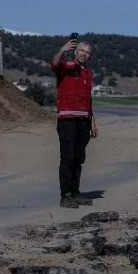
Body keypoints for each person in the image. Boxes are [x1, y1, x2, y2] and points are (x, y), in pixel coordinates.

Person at [50, 35, 97, 208]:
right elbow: (54, 64)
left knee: (78, 159)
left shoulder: (88, 74)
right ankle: (66, 196)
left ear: (89, 56)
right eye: (81, 50)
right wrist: (62, 50)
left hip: (83, 121)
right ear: (75, 52)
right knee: (67, 159)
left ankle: (76, 193)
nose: (84, 54)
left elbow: (88, 100)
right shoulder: (67, 66)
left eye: (87, 52)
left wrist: (92, 122)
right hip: (67, 120)